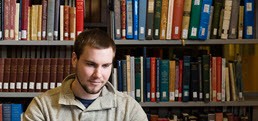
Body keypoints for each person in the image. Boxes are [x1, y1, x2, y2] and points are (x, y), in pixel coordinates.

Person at [23, 29, 148, 121]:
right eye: (90, 64)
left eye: (105, 66)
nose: (98, 74)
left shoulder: (129, 109)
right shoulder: (42, 107)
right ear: (74, 60)